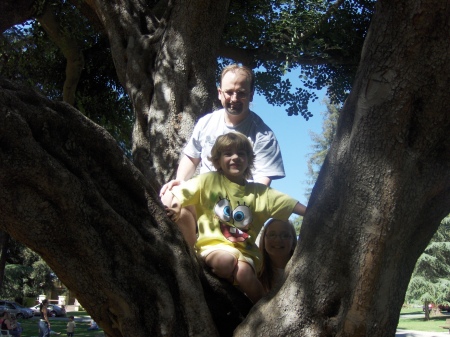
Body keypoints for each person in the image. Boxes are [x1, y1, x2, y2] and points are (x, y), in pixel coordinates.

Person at [162, 132, 306, 303]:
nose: (235, 158)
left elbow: (292, 205)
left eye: (241, 154)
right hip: (213, 246)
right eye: (228, 153)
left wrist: (313, 211)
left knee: (245, 275)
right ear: (218, 160)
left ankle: (265, 311)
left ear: (249, 160)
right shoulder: (208, 180)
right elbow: (177, 194)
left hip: (245, 252)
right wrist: (174, 204)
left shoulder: (260, 193)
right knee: (225, 263)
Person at [160, 64, 286, 246]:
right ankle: (191, 258)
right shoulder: (206, 122)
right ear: (220, 93)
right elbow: (191, 157)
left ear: (251, 95)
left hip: (237, 207)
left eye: (241, 93)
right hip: (204, 196)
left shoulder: (263, 136)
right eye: (229, 92)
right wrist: (180, 180)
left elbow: (261, 185)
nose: (234, 98)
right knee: (168, 199)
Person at [258, 219, 298, 292]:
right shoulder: (254, 273)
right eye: (272, 234)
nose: (278, 240)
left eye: (285, 235)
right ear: (263, 240)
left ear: (293, 242)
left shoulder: (305, 270)